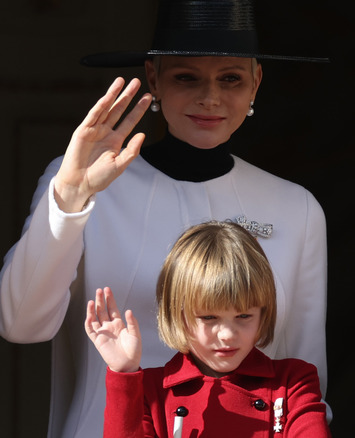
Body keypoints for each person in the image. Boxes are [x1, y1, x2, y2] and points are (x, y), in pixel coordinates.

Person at [0, 1, 329, 437]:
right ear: (153, 78)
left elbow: (305, 375)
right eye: (185, 77)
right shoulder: (83, 181)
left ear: (256, 83)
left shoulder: (295, 206)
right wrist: (71, 196)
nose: (209, 97)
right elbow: (21, 324)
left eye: (230, 78)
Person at [84, 221, 330, 437]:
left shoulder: (293, 382)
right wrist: (124, 375)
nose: (227, 334)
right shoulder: (150, 390)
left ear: (264, 312)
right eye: (209, 317)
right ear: (177, 315)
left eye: (244, 315)